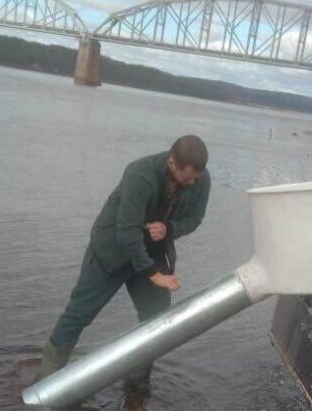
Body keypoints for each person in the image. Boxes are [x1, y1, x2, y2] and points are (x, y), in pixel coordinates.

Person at [39, 135, 211, 388]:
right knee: (78, 314)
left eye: (196, 177)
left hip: (152, 251)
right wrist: (154, 275)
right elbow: (127, 232)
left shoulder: (201, 179)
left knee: (157, 321)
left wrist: (169, 228)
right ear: (172, 162)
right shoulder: (139, 173)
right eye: (187, 178)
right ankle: (44, 385)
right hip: (112, 250)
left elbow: (195, 219)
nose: (193, 182)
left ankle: (136, 388)